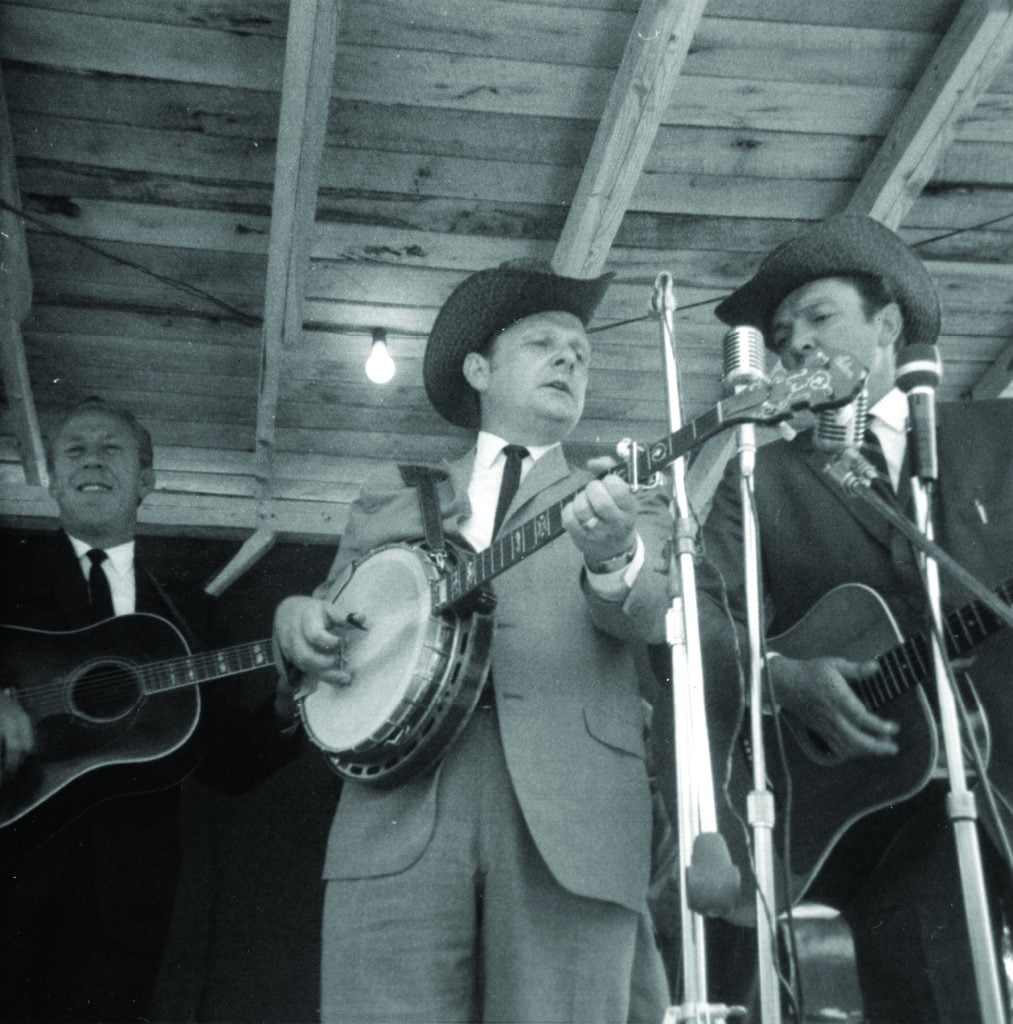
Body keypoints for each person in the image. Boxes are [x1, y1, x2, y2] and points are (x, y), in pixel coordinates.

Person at [273, 262, 676, 1023]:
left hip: (573, 812)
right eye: (543, 343)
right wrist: (296, 621)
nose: (569, 358)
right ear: (478, 369)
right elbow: (333, 643)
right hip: (402, 808)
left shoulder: (631, 497)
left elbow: (645, 612)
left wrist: (613, 554)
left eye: (580, 353)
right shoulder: (390, 494)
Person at [654, 215, 1013, 1022]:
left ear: (887, 326)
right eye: (782, 338)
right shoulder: (760, 477)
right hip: (881, 820)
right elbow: (698, 613)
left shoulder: (996, 434)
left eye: (819, 318)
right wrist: (780, 678)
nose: (797, 347)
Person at [0, 395, 291, 1023]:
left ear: (146, 480)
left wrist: (294, 699)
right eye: (74, 449)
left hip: (126, 899)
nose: (92, 460)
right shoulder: (5, 575)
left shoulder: (188, 610)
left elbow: (229, 765)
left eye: (112, 448)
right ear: (52, 478)